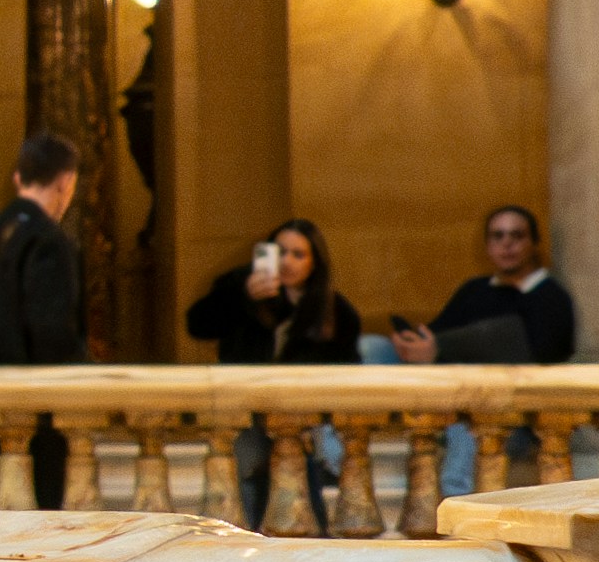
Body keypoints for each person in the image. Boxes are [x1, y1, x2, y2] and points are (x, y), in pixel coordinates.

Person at [186, 216, 365, 526]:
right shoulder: (240, 286)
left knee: (300, 487)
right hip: (246, 412)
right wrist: (242, 298)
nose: (287, 262)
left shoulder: (334, 311)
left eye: (298, 254)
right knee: (246, 474)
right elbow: (197, 324)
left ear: (314, 262)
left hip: (300, 421)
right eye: (280, 251)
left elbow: (347, 370)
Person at [390, 203, 574, 494]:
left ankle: (457, 521)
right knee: (371, 348)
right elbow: (439, 334)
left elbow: (534, 353)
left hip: (507, 414)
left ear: (533, 243)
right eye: (498, 236)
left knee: (470, 430)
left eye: (516, 236)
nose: (507, 244)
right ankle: (335, 462)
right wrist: (417, 344)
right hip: (451, 400)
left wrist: (442, 349)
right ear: (488, 246)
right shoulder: (475, 291)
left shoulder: (550, 297)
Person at [0, 130, 91, 507]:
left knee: (2, 505)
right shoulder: (49, 240)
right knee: (41, 513)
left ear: (19, 178)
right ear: (64, 183)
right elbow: (51, 329)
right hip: (38, 402)